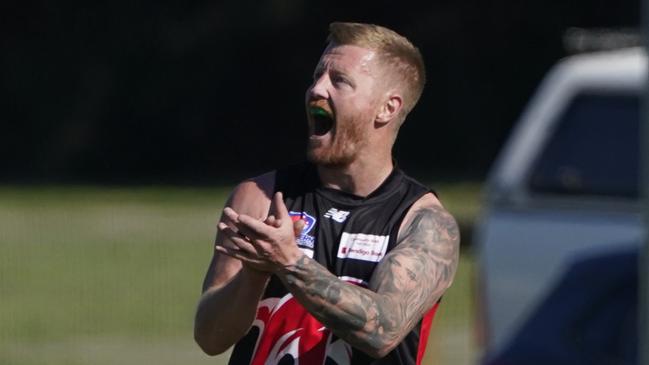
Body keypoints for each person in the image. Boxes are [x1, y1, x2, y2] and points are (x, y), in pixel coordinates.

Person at [194, 22, 460, 365]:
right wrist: (253, 276)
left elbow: (382, 332)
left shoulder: (424, 222)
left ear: (387, 108)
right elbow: (209, 338)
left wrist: (288, 262)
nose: (317, 89)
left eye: (339, 81)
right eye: (318, 75)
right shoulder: (259, 197)